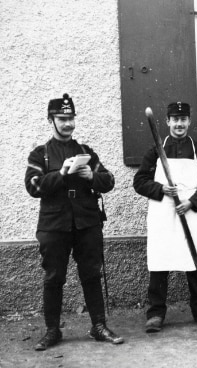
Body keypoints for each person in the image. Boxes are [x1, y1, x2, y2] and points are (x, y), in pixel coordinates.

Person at [25, 93, 123, 351]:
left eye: (71, 119)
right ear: (51, 120)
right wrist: (61, 174)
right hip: (54, 224)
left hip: (86, 222)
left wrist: (91, 175)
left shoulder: (85, 152)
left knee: (91, 274)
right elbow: (33, 186)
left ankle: (98, 326)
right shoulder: (40, 154)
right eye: (62, 119)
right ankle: (52, 330)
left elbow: (109, 180)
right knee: (54, 277)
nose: (68, 124)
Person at [133, 102, 197, 332]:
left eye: (183, 119)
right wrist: (161, 189)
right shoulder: (156, 150)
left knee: (194, 261)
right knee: (160, 261)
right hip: (163, 212)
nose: (179, 124)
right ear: (167, 122)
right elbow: (139, 181)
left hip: (190, 212)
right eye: (175, 119)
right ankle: (155, 314)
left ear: (189, 122)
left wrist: (192, 202)